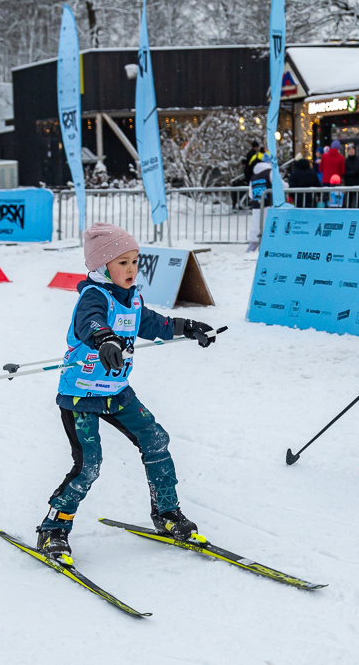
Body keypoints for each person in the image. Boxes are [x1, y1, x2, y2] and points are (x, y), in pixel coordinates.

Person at [35, 222, 219, 563]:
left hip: (118, 394)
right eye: (122, 262)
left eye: (135, 260)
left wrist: (187, 327)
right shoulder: (95, 295)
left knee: (156, 439)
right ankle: (53, 528)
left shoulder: (132, 299)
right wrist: (104, 338)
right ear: (102, 266)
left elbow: (152, 323)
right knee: (89, 464)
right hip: (81, 397)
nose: (131, 268)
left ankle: (167, 514)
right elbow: (90, 321)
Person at [246, 153, 273, 252]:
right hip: (269, 206)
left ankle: (249, 252)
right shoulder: (270, 172)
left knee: (256, 232)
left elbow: (250, 194)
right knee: (269, 231)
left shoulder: (254, 176)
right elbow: (279, 186)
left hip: (257, 206)